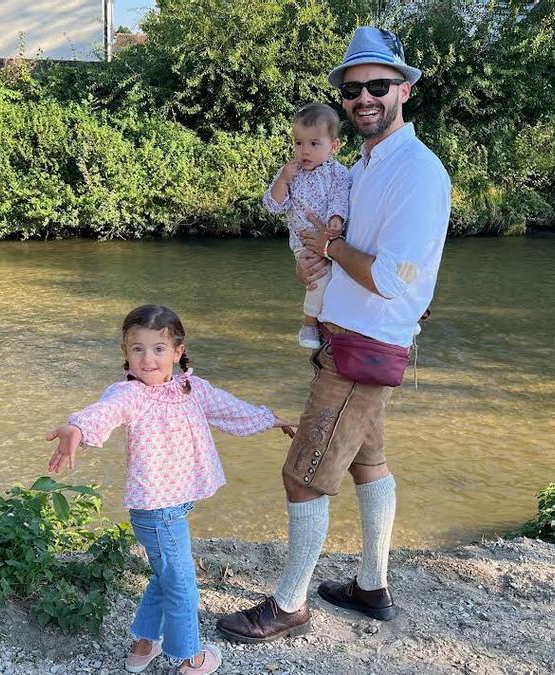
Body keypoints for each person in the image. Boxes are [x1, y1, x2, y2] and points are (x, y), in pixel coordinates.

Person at [215, 26, 451, 643]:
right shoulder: (368, 163)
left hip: (362, 348)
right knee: (367, 462)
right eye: (354, 89)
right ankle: (372, 586)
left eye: (379, 85)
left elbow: (391, 279)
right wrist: (316, 261)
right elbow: (372, 259)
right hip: (347, 335)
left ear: (405, 90)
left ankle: (289, 604)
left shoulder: (419, 172)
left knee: (303, 472)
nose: (365, 97)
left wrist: (330, 246)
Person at [46, 304, 295, 674]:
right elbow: (103, 412)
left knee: (166, 577)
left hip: (175, 505)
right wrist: (77, 429)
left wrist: (271, 419)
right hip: (155, 510)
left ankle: (144, 646)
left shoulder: (192, 389)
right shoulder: (128, 395)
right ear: (125, 352)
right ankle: (190, 658)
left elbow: (231, 409)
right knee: (182, 585)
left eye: (158, 349)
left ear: (178, 351)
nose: (148, 358)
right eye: (137, 349)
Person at [263, 103, 351, 349]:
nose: (304, 151)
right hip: (305, 243)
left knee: (343, 278)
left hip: (333, 239)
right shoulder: (290, 173)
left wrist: (336, 220)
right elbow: (274, 206)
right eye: (299, 143)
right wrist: (282, 180)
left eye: (314, 144)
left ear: (333, 146)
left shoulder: (339, 174)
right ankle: (309, 323)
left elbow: (339, 199)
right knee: (319, 278)